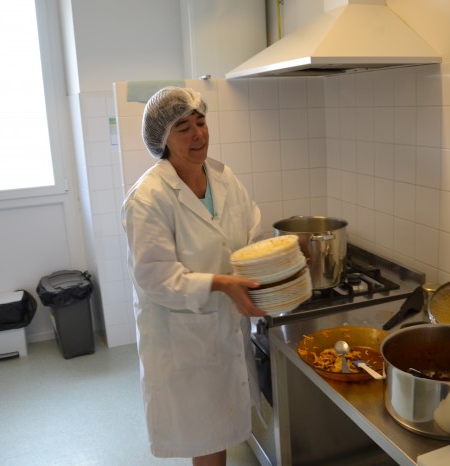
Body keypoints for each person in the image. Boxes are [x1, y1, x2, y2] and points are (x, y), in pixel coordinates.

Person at [121, 86, 266, 466]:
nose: (197, 135)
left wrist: (265, 267)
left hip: (223, 330)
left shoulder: (223, 178)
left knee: (218, 433)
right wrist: (223, 284)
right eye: (182, 128)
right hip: (182, 339)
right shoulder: (149, 198)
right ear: (163, 140)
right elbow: (157, 279)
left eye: (200, 122)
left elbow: (251, 230)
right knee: (206, 438)